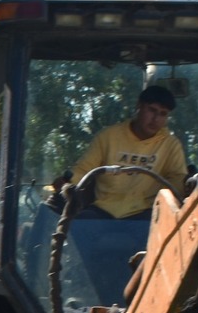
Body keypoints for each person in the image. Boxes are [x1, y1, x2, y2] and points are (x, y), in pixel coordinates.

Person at [65, 85, 188, 220]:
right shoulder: (108, 137)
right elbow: (83, 170)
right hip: (104, 210)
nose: (156, 119)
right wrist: (69, 186)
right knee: (78, 225)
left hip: (145, 213)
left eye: (163, 114)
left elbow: (177, 180)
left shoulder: (171, 145)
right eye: (152, 110)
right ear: (139, 106)